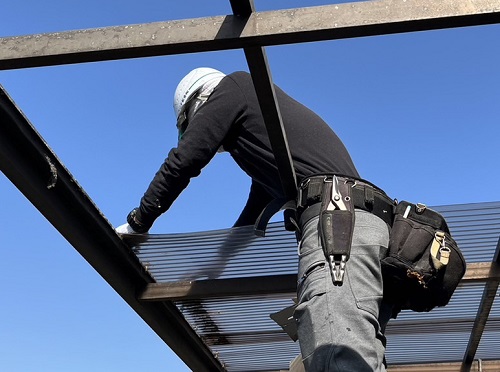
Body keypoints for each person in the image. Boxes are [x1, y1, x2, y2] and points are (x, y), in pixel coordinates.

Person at [116, 67, 395, 371]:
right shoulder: (264, 139)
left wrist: (136, 224)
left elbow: (184, 160)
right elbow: (252, 216)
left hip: (337, 226)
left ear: (199, 102)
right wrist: (218, 263)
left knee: (336, 358)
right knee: (337, 358)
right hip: (360, 226)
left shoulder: (233, 87)